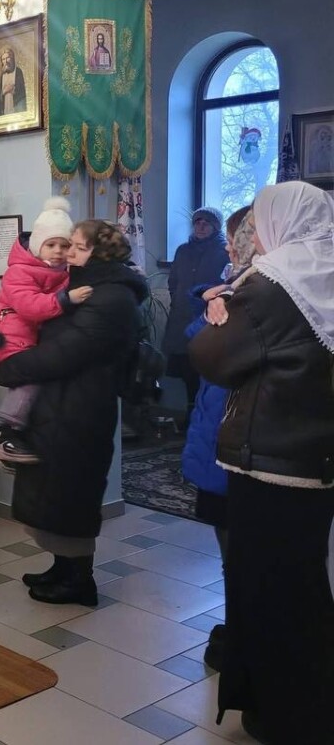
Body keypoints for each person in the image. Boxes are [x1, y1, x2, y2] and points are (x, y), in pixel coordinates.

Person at [190, 181, 334, 745]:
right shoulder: (326, 269)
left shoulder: (274, 281)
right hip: (317, 457)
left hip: (269, 461)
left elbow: (212, 357)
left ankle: (284, 715)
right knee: (305, 582)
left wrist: (218, 311)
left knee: (266, 589)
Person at [0, 220, 147, 607]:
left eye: (78, 246)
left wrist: (13, 368)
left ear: (99, 253)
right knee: (54, 491)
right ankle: (61, 567)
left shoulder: (112, 297)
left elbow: (67, 351)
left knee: (73, 493)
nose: (69, 252)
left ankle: (80, 581)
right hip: (61, 404)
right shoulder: (81, 284)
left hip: (81, 408)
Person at [179, 205, 254, 674]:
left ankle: (244, 636)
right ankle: (238, 626)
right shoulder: (236, 286)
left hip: (238, 438)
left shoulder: (258, 295)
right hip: (220, 432)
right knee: (232, 551)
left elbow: (210, 349)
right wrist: (208, 299)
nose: (228, 247)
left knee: (242, 552)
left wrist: (216, 305)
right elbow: (196, 337)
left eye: (234, 238)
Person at [0, 198, 92, 464]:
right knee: (36, 376)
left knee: (46, 379)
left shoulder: (63, 273)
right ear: (37, 245)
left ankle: (19, 438)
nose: (58, 251)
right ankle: (7, 432)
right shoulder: (19, 271)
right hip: (9, 347)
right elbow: (30, 306)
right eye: (51, 245)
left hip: (29, 344)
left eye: (64, 245)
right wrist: (66, 299)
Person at [163, 206, 228, 424]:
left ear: (215, 227)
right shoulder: (183, 250)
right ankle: (190, 411)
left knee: (206, 366)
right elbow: (173, 281)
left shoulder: (224, 251)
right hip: (181, 316)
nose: (201, 227)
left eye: (206, 223)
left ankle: (205, 416)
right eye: (197, 222)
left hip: (208, 318)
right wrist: (178, 299)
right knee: (185, 366)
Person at [0, 47, 26, 117]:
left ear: (12, 59)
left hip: (17, 109)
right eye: (3, 59)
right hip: (5, 110)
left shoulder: (18, 72)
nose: (6, 61)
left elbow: (23, 91)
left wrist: (14, 89)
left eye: (8, 58)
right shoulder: (1, 77)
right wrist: (4, 91)